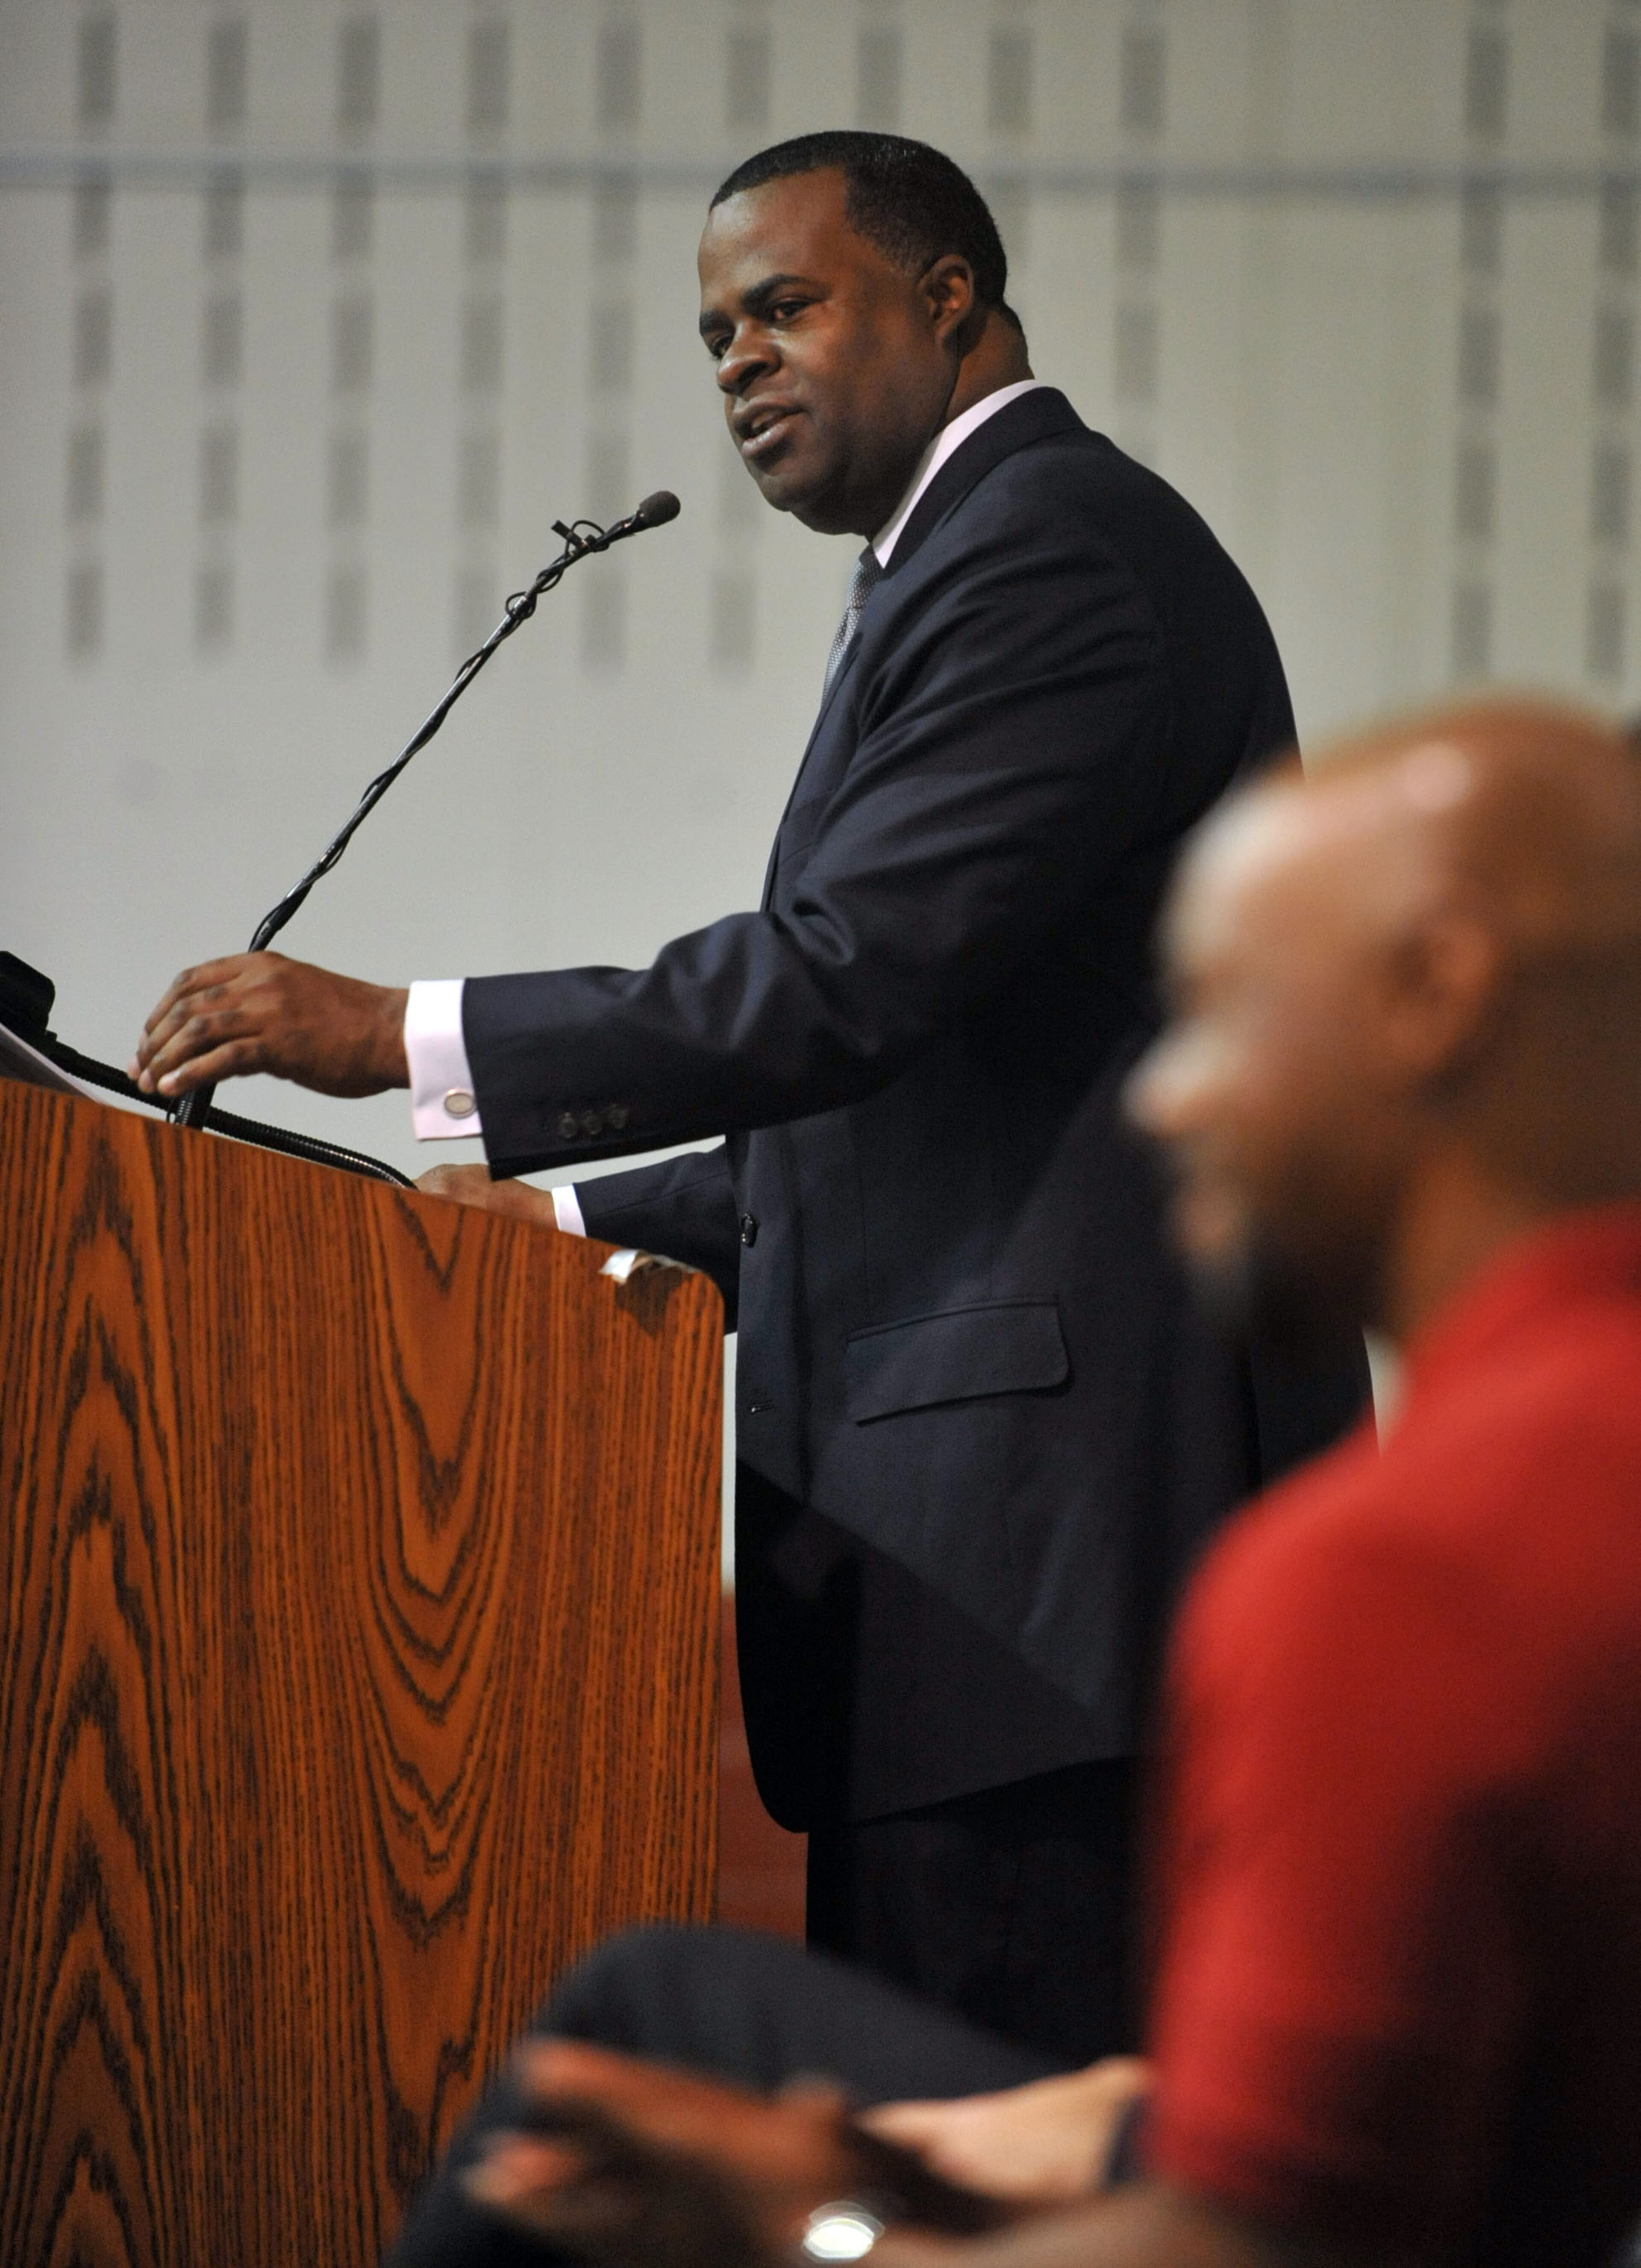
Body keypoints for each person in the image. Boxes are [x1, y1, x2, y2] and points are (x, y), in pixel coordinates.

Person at [130, 132, 1364, 2057]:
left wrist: (401, 1034)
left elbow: (850, 981)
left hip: (1053, 1580)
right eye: (715, 334)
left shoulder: (1054, 549)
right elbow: (918, 1103)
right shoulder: (959, 557)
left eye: (785, 306)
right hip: (995, 1600)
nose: (737, 366)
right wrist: (568, 1219)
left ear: (949, 295)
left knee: (1003, 2170)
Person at [385, 694, 1641, 2268]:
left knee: (629, 2045)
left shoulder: (1398, 1580)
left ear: (1432, 991)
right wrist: (1088, 2126)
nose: (1166, 1098)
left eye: (1221, 1015)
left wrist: (819, 2227)